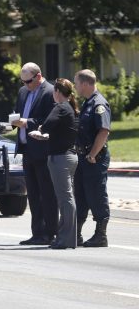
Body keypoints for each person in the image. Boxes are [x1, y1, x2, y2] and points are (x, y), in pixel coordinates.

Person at [29, 78, 79, 249]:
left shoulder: (61, 107)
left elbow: (48, 124)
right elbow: (61, 133)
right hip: (68, 156)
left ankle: (66, 238)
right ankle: (67, 237)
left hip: (61, 159)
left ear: (57, 92)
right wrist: (45, 135)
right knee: (67, 198)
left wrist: (40, 131)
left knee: (65, 199)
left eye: (53, 93)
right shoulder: (69, 108)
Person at [11, 62, 58, 246]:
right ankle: (37, 232)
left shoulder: (50, 92)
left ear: (38, 76)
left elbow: (50, 120)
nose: (25, 85)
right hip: (26, 149)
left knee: (46, 193)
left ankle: (49, 232)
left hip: (42, 149)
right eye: (22, 82)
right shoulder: (23, 92)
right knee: (33, 193)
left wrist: (27, 122)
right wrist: (14, 121)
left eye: (28, 81)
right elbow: (18, 112)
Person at [73, 69, 111, 247]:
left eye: (77, 83)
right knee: (80, 194)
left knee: (96, 194)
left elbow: (104, 131)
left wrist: (92, 154)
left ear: (86, 83)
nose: (75, 87)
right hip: (83, 157)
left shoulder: (99, 104)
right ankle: (76, 233)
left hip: (94, 158)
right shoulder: (88, 103)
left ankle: (100, 235)